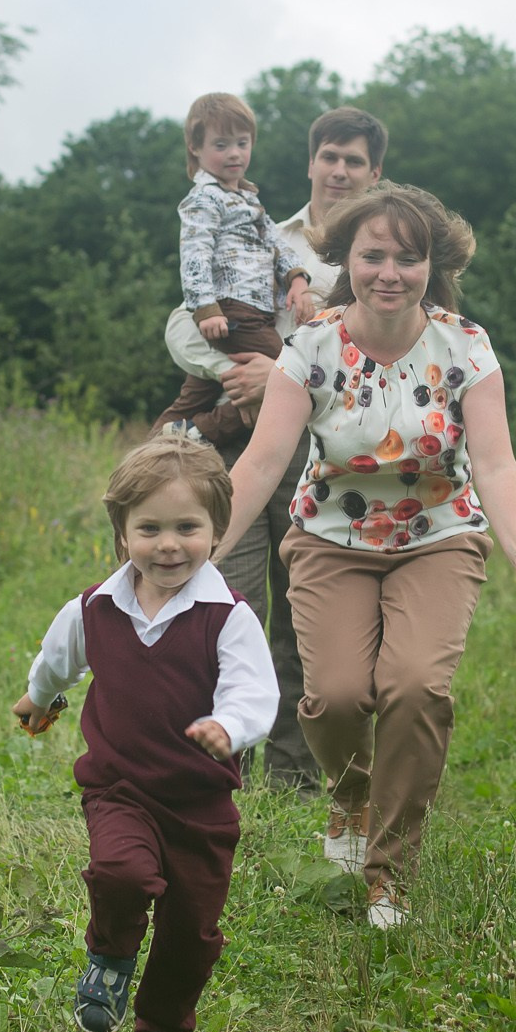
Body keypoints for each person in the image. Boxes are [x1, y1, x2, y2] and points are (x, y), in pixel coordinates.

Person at [215, 184, 516, 927]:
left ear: (434, 264)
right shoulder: (310, 348)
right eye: (373, 255)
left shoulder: (465, 346)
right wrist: (200, 560)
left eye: (408, 257)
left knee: (416, 687)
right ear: (346, 261)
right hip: (331, 540)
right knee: (334, 696)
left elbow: (494, 462)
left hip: (438, 536)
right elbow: (261, 465)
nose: (389, 272)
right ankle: (353, 798)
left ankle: (390, 872)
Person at [11, 435, 278, 1032]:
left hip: (200, 806)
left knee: (192, 935)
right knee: (121, 871)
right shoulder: (94, 609)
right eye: (149, 528)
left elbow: (254, 690)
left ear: (216, 532)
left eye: (187, 527)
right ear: (122, 532)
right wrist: (38, 700)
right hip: (120, 787)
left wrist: (228, 725)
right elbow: (57, 662)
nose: (168, 544)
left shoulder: (227, 617)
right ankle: (108, 957)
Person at [163, 107, 387, 791]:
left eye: (355, 160)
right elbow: (183, 319)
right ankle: (222, 766)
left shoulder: (387, 249)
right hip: (250, 446)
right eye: (330, 156)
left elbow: (391, 353)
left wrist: (282, 370)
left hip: (331, 453)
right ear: (312, 162)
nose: (341, 170)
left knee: (306, 612)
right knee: (233, 601)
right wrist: (227, 372)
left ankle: (295, 773)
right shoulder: (261, 226)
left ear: (375, 173)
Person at [153, 93, 313, 445]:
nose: (235, 154)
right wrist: (206, 309)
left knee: (196, 394)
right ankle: (202, 431)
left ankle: (152, 450)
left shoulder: (248, 199)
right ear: (195, 148)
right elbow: (194, 255)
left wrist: (297, 279)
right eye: (221, 145)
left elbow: (277, 244)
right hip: (231, 311)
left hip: (252, 311)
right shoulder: (204, 199)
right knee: (288, 375)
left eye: (242, 143)